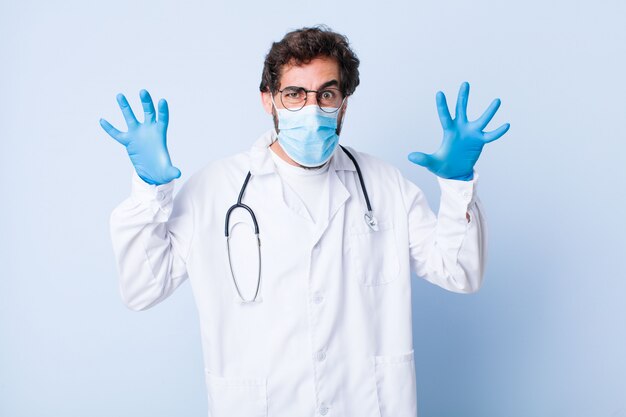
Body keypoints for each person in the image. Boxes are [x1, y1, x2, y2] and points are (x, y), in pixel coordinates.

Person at [99, 26, 509, 417]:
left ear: (344, 103)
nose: (311, 108)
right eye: (294, 93)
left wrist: (458, 186)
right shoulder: (215, 190)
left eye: (326, 94)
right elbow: (141, 288)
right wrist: (148, 189)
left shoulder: (384, 185)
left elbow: (460, 273)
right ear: (268, 100)